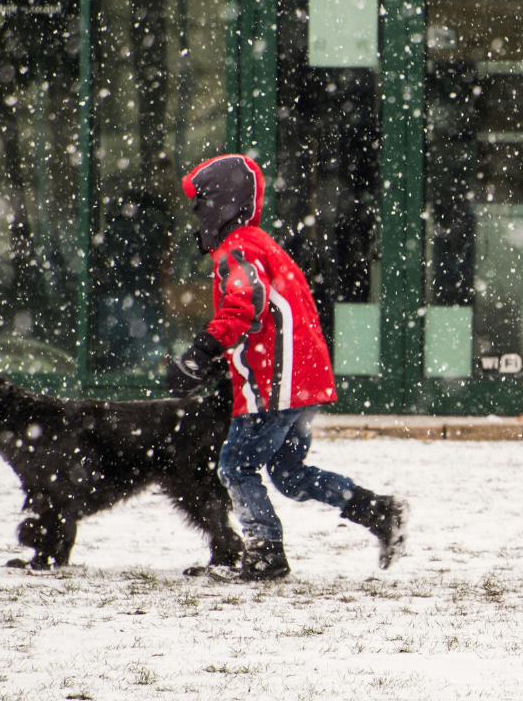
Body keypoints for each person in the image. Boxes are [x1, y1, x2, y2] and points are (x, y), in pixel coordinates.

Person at [166, 154, 407, 581]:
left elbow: (245, 304)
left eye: (201, 200)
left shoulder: (237, 249)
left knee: (235, 467)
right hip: (304, 381)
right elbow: (269, 314)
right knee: (290, 476)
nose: (196, 210)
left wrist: (203, 351)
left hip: (276, 382)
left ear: (221, 202)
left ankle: (265, 551)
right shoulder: (261, 243)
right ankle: (377, 510)